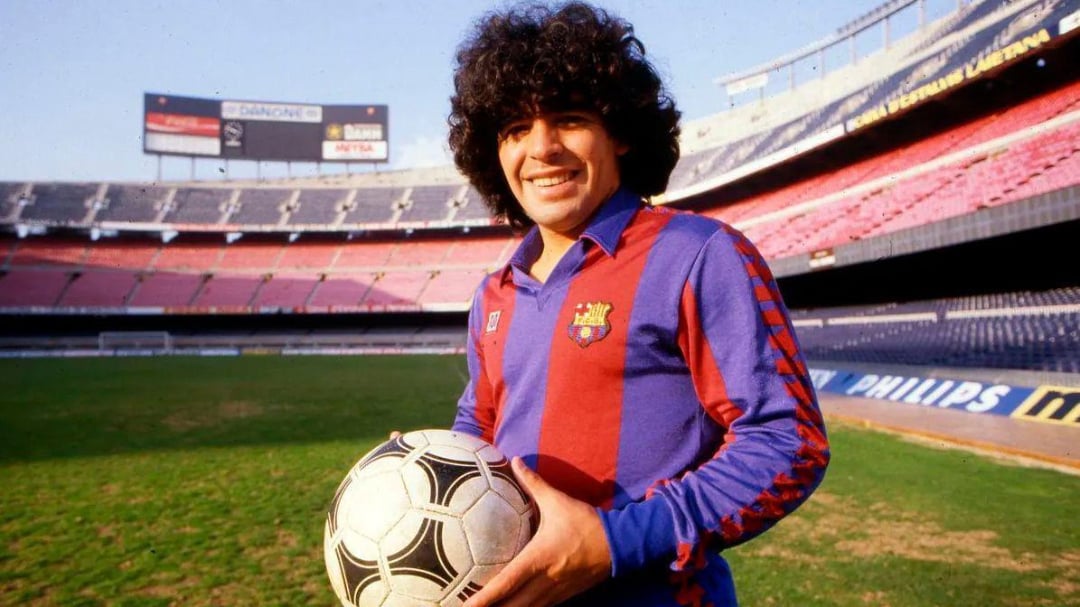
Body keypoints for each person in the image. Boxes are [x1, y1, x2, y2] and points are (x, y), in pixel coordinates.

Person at [448, 3, 830, 606]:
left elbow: (787, 441)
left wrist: (615, 541)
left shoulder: (699, 254)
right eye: (516, 130)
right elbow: (481, 424)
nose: (541, 148)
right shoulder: (495, 292)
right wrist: (434, 464)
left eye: (568, 120)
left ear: (620, 133)